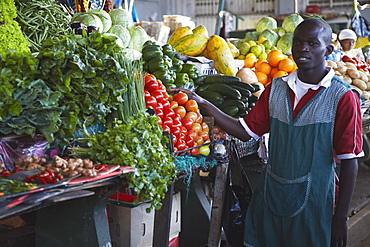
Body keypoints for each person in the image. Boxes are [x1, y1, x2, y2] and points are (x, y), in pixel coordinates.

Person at [169, 18, 363, 247]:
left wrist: (340, 218)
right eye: (298, 42)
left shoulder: (342, 97)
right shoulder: (276, 89)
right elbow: (245, 131)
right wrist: (202, 103)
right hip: (273, 198)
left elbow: (349, 162)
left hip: (316, 203)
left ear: (328, 50)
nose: (303, 49)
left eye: (312, 43)